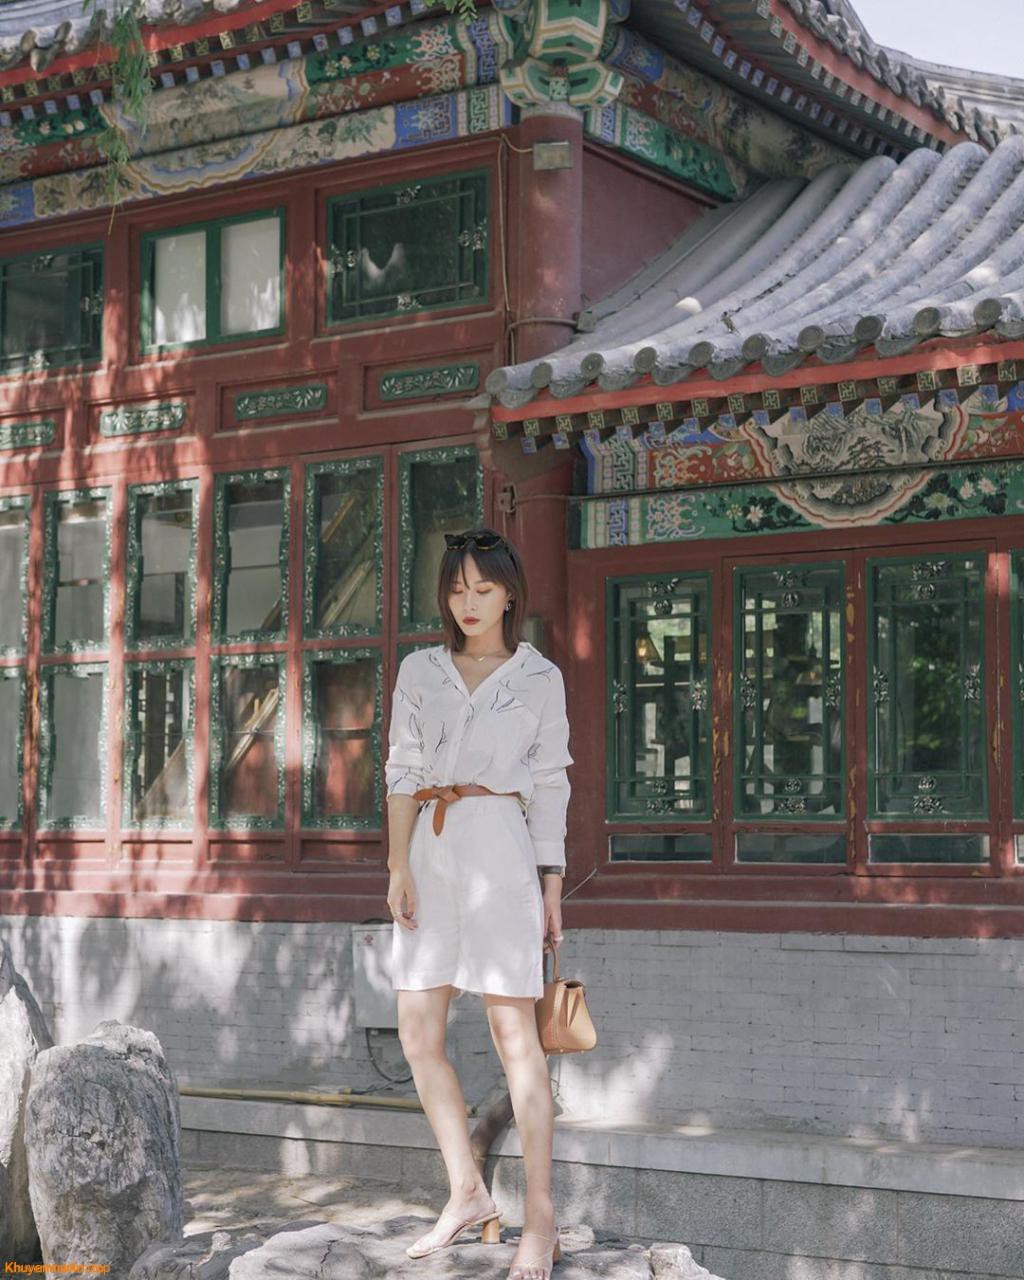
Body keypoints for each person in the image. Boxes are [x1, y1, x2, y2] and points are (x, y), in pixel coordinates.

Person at [385, 526, 573, 1280]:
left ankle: (541, 1217)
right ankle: (466, 1189)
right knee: (416, 1031)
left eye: (483, 589)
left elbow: (551, 783)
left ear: (509, 594)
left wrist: (552, 885)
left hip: (500, 848)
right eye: (457, 589)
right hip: (429, 853)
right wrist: (396, 866)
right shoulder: (419, 670)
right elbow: (401, 771)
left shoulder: (539, 677)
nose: (468, 603)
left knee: (514, 1037)